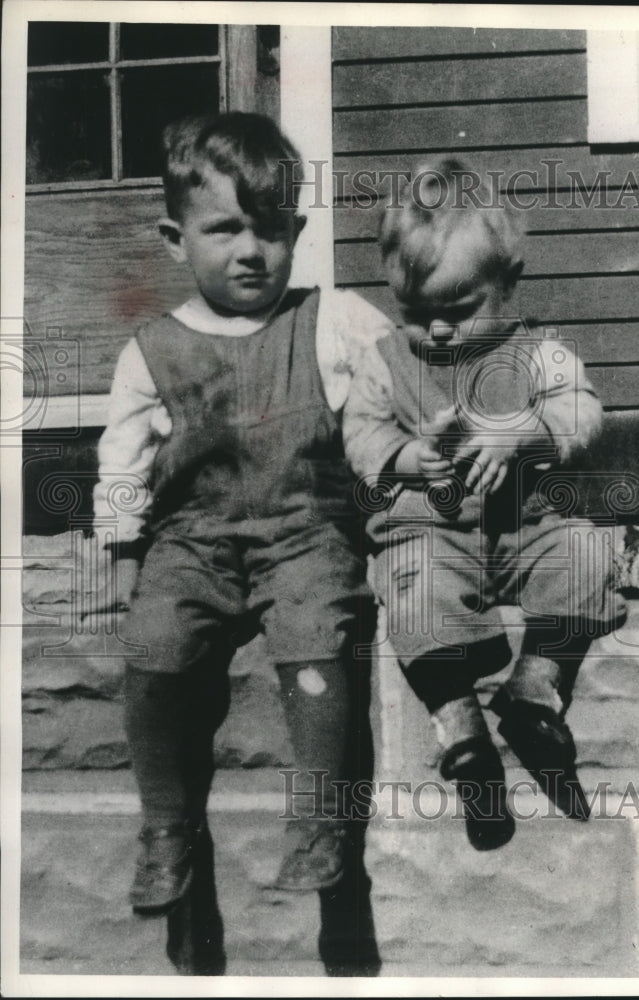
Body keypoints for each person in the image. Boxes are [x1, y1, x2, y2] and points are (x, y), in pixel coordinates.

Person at [89, 112, 388, 974]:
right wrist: (121, 555)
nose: (251, 250)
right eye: (225, 229)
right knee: (154, 645)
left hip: (304, 528)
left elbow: (396, 389)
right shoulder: (152, 351)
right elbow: (122, 462)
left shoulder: (331, 320)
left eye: (271, 228)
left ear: (295, 231)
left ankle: (323, 820)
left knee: (316, 638)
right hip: (195, 539)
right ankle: (166, 828)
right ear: (176, 240)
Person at [344, 158, 628, 845]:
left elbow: (581, 413)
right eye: (417, 314)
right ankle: (460, 729)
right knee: (414, 593)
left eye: (458, 310)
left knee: (587, 551)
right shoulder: (383, 359)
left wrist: (526, 428)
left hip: (528, 529)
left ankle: (534, 689)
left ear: (508, 284)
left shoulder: (540, 353)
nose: (437, 331)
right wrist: (410, 455)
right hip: (433, 534)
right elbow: (359, 433)